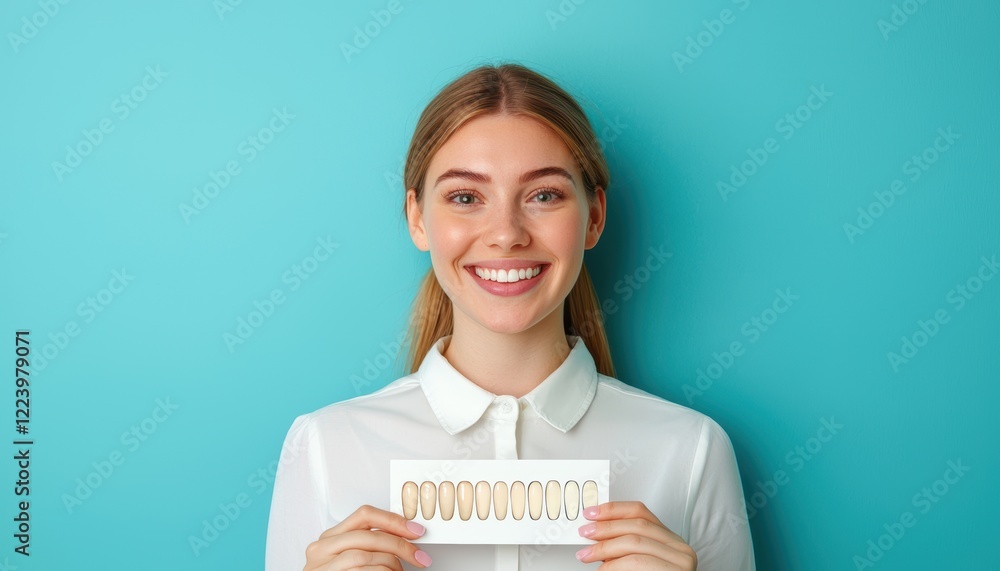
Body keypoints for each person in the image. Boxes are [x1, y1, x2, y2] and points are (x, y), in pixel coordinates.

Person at [264, 62, 755, 570]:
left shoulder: (691, 450)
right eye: (465, 197)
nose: (506, 233)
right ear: (417, 218)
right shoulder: (325, 446)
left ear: (594, 217)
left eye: (544, 195)